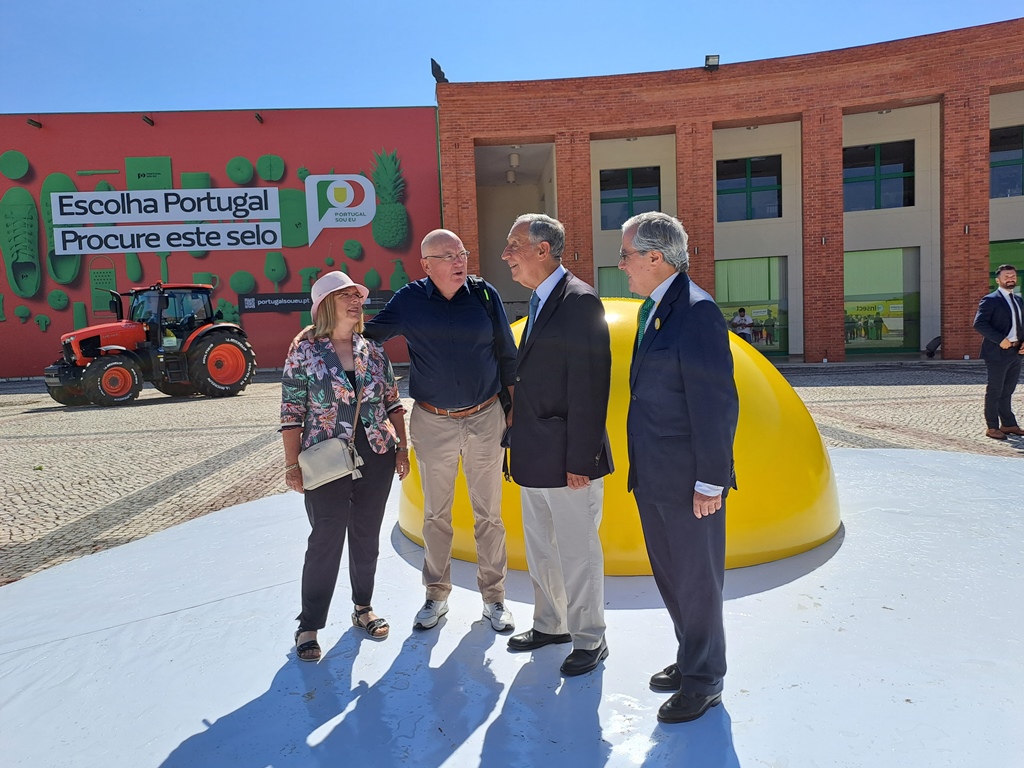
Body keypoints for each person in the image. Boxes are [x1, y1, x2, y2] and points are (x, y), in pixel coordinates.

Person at [362, 229, 518, 632]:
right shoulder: (409, 300)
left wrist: (513, 408)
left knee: (489, 515)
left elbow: (507, 353)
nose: (458, 261)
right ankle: (436, 594)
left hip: (485, 417)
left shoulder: (484, 296)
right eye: (447, 256)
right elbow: (369, 337)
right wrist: (326, 331)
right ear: (426, 265)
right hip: (433, 422)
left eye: (461, 253)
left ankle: (495, 599)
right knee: (436, 515)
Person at [618, 211, 739, 723]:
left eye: (626, 255)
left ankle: (705, 681)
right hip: (655, 475)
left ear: (655, 257)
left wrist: (711, 480)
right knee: (672, 576)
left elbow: (716, 403)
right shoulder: (657, 310)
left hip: (691, 481)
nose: (620, 265)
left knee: (697, 581)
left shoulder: (696, 311)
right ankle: (692, 658)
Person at [501, 213, 613, 677]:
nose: (505, 254)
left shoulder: (579, 300)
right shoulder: (540, 300)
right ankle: (551, 625)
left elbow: (591, 385)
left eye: (514, 245)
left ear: (542, 250)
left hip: (570, 459)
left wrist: (581, 460)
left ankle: (590, 639)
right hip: (535, 454)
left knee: (577, 552)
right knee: (542, 548)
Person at [280, 271, 410, 662]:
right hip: (326, 456)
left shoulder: (373, 350)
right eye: (345, 296)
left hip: (377, 452)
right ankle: (309, 625)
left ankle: (363, 608)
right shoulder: (304, 350)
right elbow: (291, 412)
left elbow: (392, 402)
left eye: (358, 296)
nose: (356, 301)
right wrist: (291, 465)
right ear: (324, 305)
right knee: (325, 537)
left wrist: (402, 448)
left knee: (366, 535)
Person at [973, 264, 1024, 440]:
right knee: (995, 390)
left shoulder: (1018, 300)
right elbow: (979, 324)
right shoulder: (990, 300)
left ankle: (1008, 424)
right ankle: (992, 427)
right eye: (1006, 276)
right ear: (998, 280)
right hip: (997, 352)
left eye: (1013, 276)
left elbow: (1020, 324)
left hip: (1016, 352)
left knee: (1008, 390)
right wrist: (1000, 339)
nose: (1010, 278)